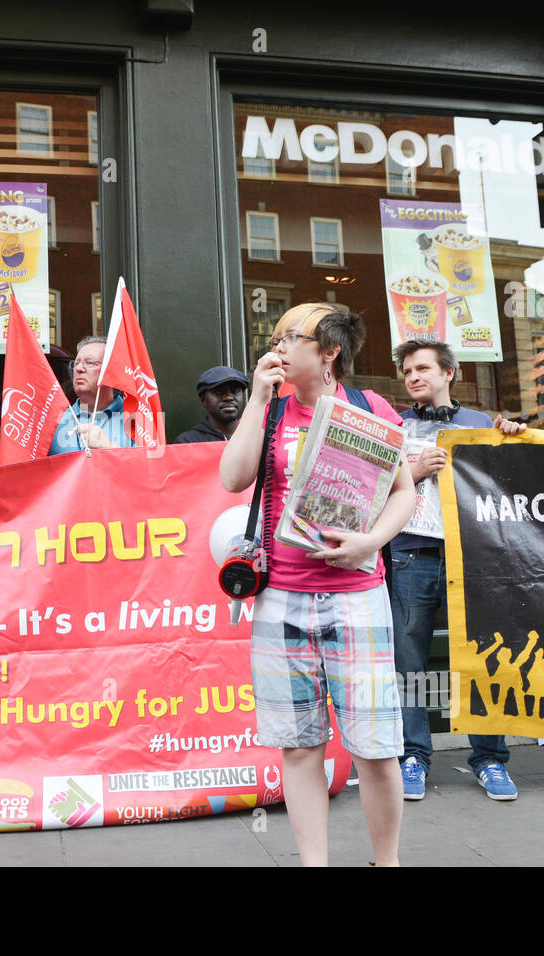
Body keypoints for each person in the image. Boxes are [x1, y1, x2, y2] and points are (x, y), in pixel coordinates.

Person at [220, 302, 416, 867]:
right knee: (301, 745)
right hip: (281, 598)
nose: (277, 348)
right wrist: (257, 399)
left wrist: (371, 541)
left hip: (357, 597)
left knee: (377, 749)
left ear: (329, 351)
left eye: (290, 338)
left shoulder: (367, 407)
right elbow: (233, 478)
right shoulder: (274, 413)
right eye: (274, 338)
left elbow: (404, 491)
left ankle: (388, 861)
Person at [389, 337, 526, 802]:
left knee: (483, 656)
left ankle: (489, 759)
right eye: (407, 372)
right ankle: (413, 756)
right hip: (410, 554)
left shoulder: (482, 423)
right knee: (409, 660)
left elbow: (511, 482)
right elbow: (367, 486)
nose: (413, 377)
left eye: (423, 368)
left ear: (450, 373)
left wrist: (511, 438)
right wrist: (413, 469)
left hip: (474, 557)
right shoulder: (391, 424)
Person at [48, 336, 134, 454]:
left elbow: (154, 470)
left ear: (111, 371)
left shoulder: (140, 419)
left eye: (89, 362)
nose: (79, 368)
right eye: (76, 363)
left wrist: (108, 447)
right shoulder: (53, 422)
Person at [174, 366, 250, 443]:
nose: (229, 397)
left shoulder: (256, 436)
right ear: (203, 399)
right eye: (219, 392)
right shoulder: (188, 442)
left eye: (235, 391)